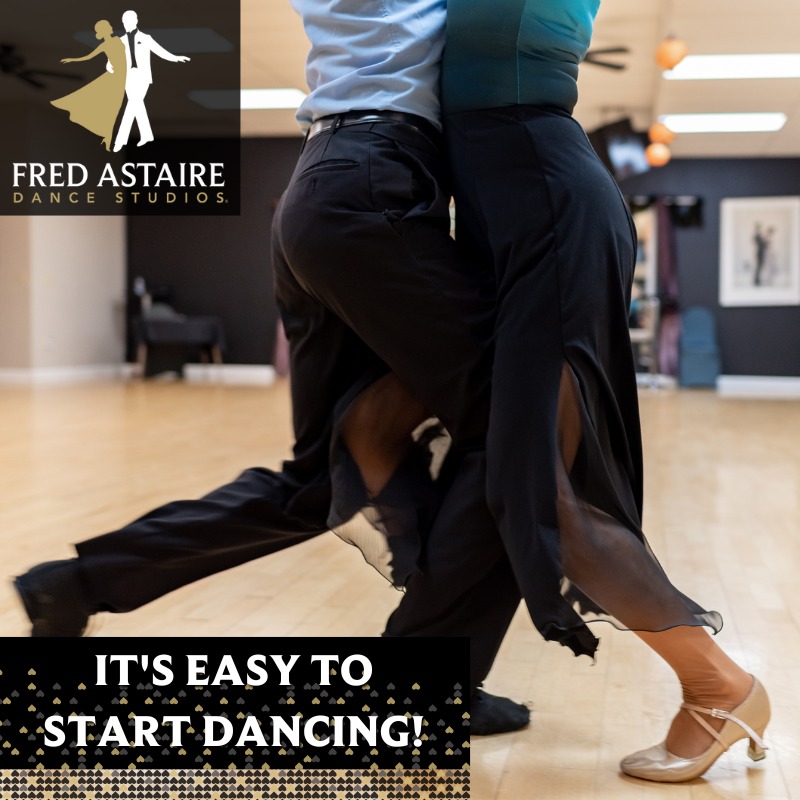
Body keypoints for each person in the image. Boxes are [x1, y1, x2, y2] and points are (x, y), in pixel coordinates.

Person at [13, 0, 528, 737]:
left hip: (323, 187)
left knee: (316, 480)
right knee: (520, 424)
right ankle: (431, 678)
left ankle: (77, 585)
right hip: (378, 183)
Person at [438, 0, 770, 783]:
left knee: (547, 494)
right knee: (506, 478)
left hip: (547, 213)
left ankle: (719, 686)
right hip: (514, 220)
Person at [113, 9, 190, 150]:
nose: (127, 24)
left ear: (136, 21)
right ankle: (146, 135)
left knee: (132, 105)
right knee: (135, 104)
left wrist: (175, 58)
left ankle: (120, 140)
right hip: (128, 77)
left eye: (130, 21)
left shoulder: (145, 38)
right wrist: (109, 66)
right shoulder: (120, 41)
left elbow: (160, 51)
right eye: (125, 22)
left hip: (142, 76)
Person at [51, 19, 126, 151]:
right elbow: (88, 57)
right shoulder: (104, 45)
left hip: (120, 76)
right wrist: (72, 59)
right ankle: (107, 137)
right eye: (106, 27)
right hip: (115, 77)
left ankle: (107, 137)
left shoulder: (118, 41)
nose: (109, 28)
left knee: (112, 107)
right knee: (109, 106)